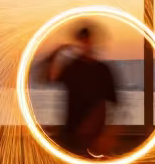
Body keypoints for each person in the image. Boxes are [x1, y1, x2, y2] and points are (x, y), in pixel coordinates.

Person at [42, 25, 119, 157]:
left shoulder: (102, 70)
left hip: (93, 139)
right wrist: (55, 53)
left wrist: (108, 135)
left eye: (87, 41)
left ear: (93, 43)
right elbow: (48, 78)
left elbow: (114, 104)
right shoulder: (72, 68)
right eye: (81, 41)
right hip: (71, 134)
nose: (85, 45)